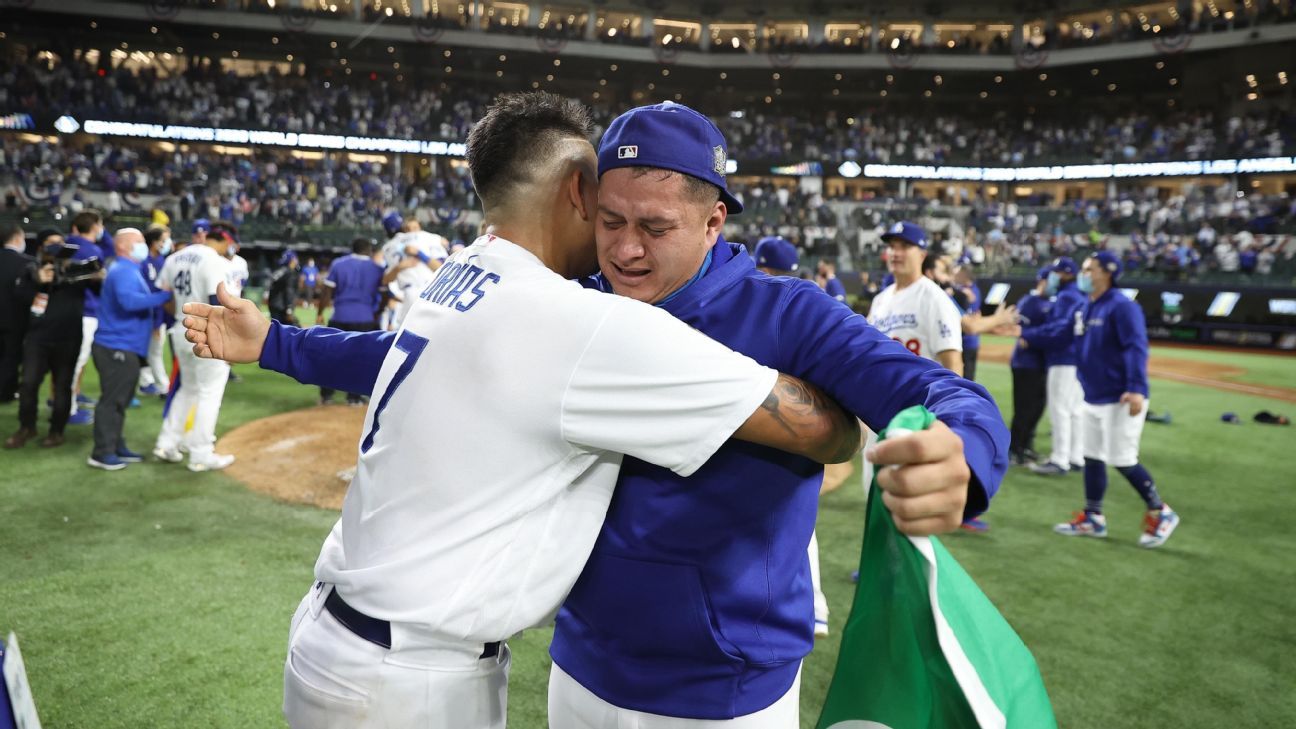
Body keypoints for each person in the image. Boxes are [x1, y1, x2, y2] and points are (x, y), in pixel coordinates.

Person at [180, 92, 861, 729]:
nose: (614, 232)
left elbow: (394, 352)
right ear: (576, 191)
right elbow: (812, 427)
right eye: (605, 201)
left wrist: (276, 340)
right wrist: (841, 429)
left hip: (338, 639)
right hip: (411, 678)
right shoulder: (576, 318)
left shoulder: (462, 270)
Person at [548, 103, 1007, 727]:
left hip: (727, 692)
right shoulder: (574, 301)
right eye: (610, 221)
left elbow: (941, 392)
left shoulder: (789, 315)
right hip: (577, 666)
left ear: (713, 223)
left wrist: (964, 450)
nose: (625, 249)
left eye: (655, 228)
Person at [1054, 251, 1180, 548]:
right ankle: (1093, 517)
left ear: (1106, 273)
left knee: (1123, 459)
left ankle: (1160, 511)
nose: (1083, 273)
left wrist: (1136, 387)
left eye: (1089, 268)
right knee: (1092, 456)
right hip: (1094, 395)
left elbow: (1136, 348)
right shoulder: (1088, 306)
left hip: (1121, 397)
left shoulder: (1123, 307)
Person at [754, 234, 835, 639]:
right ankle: (814, 606)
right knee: (797, 527)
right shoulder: (809, 304)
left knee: (792, 529)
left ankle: (813, 606)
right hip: (802, 432)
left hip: (783, 435)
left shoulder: (766, 306)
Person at [152, 219, 236, 472]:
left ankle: (167, 443)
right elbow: (216, 303)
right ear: (224, 241)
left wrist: (181, 314)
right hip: (206, 333)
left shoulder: (175, 257)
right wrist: (226, 342)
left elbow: (165, 297)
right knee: (209, 393)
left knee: (187, 389)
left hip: (181, 328)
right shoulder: (213, 260)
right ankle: (201, 453)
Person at [4, 230, 100, 449]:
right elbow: (20, 297)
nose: (57, 248)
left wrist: (98, 275)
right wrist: (38, 281)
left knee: (63, 386)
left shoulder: (75, 269)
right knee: (28, 384)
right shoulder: (30, 270)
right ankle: (26, 427)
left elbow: (97, 285)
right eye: (51, 244)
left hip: (68, 338)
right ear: (40, 248)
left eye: (60, 244)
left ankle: (57, 431)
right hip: (37, 338)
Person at [87, 229, 173, 471]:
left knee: (120, 400)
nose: (143, 246)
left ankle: (115, 445)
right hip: (116, 345)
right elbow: (129, 302)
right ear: (123, 246)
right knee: (112, 401)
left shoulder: (127, 268)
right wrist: (164, 296)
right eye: (139, 242)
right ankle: (102, 453)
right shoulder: (123, 269)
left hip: (123, 345)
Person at [868, 221, 963, 375]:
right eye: (892, 246)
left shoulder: (934, 298)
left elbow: (953, 362)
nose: (896, 253)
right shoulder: (880, 300)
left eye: (905, 246)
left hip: (920, 396)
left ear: (922, 255)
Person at [1023, 257, 1088, 476]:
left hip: (1063, 358)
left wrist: (1028, 335)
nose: (1052, 276)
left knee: (1060, 409)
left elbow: (1059, 330)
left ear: (1066, 273)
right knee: (1075, 410)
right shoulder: (1079, 294)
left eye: (1056, 272)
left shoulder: (1067, 296)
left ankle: (1060, 460)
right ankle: (1075, 457)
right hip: (1077, 358)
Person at [317, 238, 384, 405]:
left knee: (332, 356)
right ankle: (354, 398)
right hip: (365, 317)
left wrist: (320, 312)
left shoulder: (339, 264)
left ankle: (326, 396)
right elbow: (384, 294)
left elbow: (327, 291)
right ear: (369, 250)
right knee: (361, 358)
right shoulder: (377, 268)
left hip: (339, 315)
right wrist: (377, 312)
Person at [1008, 265, 1053, 465]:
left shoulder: (1051, 302)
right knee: (1024, 409)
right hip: (1025, 364)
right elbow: (1023, 337)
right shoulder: (1029, 301)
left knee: (1037, 408)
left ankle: (1026, 446)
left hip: (1042, 364)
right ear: (1042, 280)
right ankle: (1014, 449)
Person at [67, 210, 109, 425]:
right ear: (94, 227)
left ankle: (70, 400)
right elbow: (100, 282)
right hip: (87, 311)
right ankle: (68, 408)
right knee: (76, 361)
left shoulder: (67, 244)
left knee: (72, 361)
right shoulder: (92, 249)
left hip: (68, 309)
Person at [380, 213, 449, 330]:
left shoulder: (428, 239)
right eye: (408, 228)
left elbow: (442, 269)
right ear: (403, 229)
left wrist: (420, 254)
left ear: (420, 228)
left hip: (432, 290)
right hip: (409, 293)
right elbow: (385, 280)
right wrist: (399, 267)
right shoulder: (430, 238)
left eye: (415, 228)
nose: (412, 231)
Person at [137, 224, 173, 398]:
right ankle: (163, 386)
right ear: (153, 242)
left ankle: (147, 382)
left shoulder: (163, 261)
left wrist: (159, 320)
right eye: (163, 240)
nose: (166, 244)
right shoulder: (142, 261)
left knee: (153, 351)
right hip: (143, 313)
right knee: (149, 351)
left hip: (158, 313)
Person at [0, 223, 32, 404]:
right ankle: (6, 393)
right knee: (11, 358)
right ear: (18, 238)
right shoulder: (27, 262)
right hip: (15, 319)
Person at [952, 264, 983, 381]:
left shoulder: (970, 292)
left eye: (958, 274)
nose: (955, 277)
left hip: (968, 341)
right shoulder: (968, 290)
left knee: (966, 380)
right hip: (966, 340)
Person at [266, 250, 300, 325]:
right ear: (292, 260)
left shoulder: (278, 270)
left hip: (273, 305)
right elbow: (289, 290)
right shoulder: (290, 272)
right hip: (283, 307)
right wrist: (289, 308)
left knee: (275, 329)